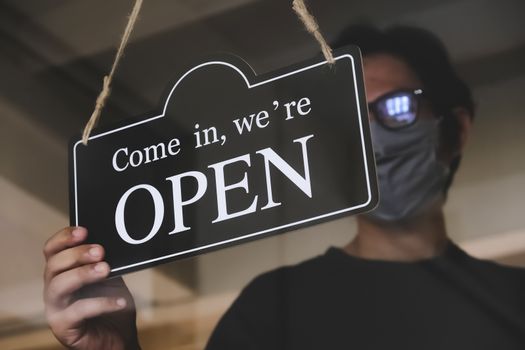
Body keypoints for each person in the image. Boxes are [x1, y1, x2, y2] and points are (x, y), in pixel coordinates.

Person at [43, 25, 525, 349]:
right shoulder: (273, 307)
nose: (371, 138)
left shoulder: (515, 299)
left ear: (455, 130)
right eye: (350, 118)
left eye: (396, 108)